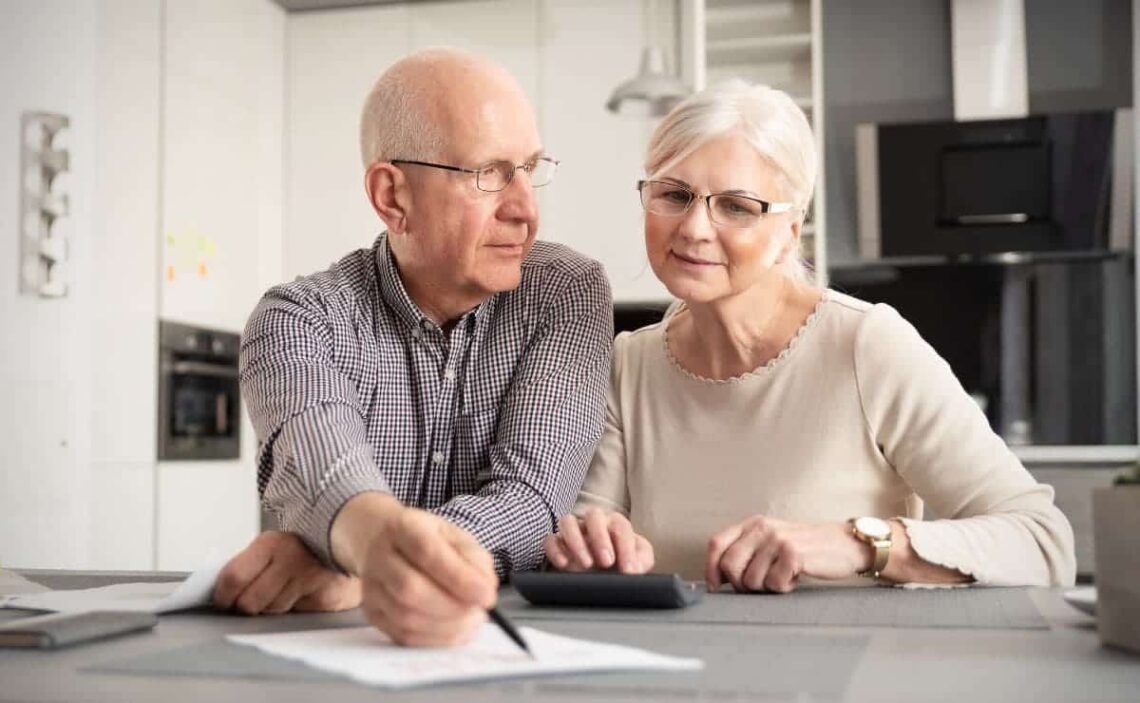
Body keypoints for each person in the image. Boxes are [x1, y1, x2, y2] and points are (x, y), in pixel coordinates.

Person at [545, 81, 1076, 591]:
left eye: (736, 206)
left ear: (790, 231)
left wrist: (860, 544)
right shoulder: (627, 364)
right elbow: (589, 538)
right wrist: (588, 549)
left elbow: (1043, 542)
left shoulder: (867, 346)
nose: (694, 228)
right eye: (674, 194)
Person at [212, 49, 613, 645]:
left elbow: (532, 503)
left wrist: (356, 563)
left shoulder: (565, 291)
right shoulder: (298, 320)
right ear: (392, 197)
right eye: (489, 173)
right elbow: (326, 467)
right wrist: (371, 544)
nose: (526, 210)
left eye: (530, 169)